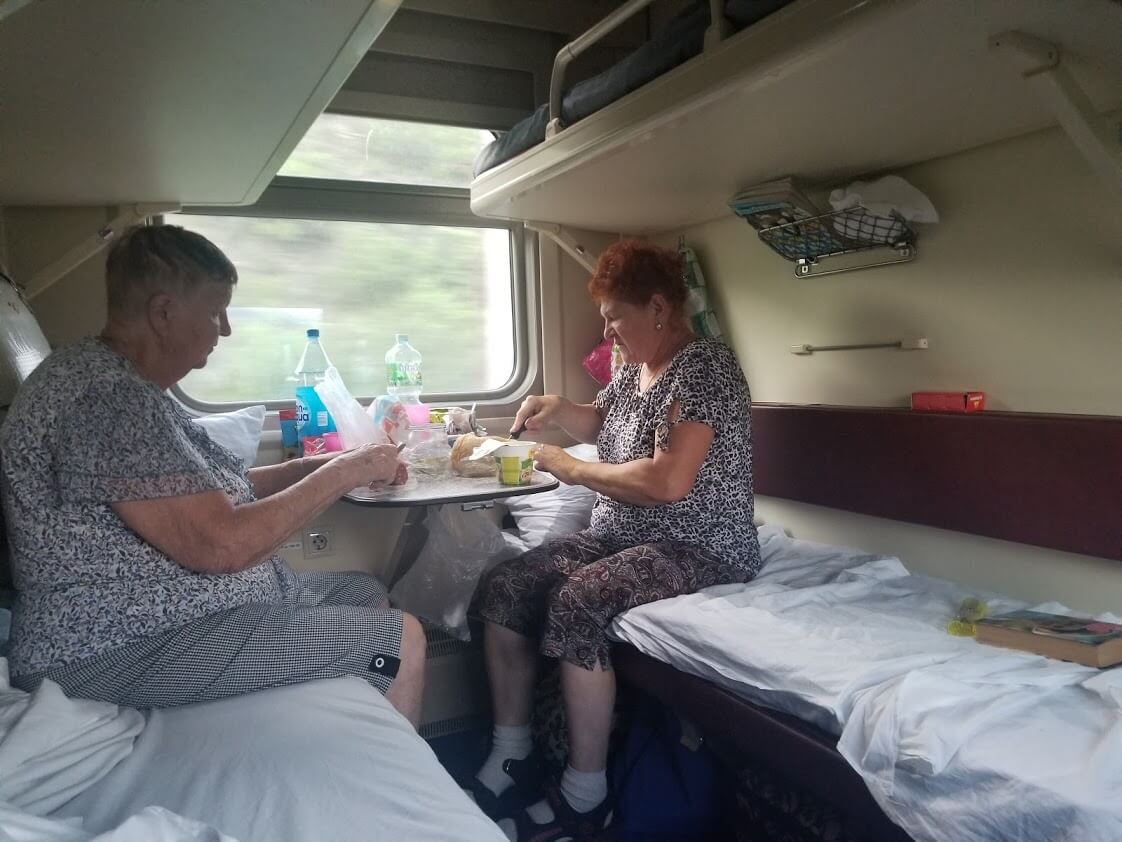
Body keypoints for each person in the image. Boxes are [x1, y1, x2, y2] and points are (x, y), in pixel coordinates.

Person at [0, 224, 426, 726]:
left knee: (363, 592)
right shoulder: (105, 400)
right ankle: (396, 793)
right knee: (404, 638)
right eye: (215, 310)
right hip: (111, 642)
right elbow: (222, 545)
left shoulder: (129, 387)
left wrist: (331, 465)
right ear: (163, 314)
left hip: (172, 614)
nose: (224, 329)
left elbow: (217, 492)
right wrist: (348, 470)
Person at [469, 239, 761, 839]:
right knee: (507, 586)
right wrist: (557, 408)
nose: (607, 331)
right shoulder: (634, 367)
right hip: (622, 532)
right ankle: (513, 754)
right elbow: (604, 421)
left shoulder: (705, 368)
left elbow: (667, 480)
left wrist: (567, 466)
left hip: (699, 542)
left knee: (580, 600)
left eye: (614, 317)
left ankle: (585, 793)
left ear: (657, 307)